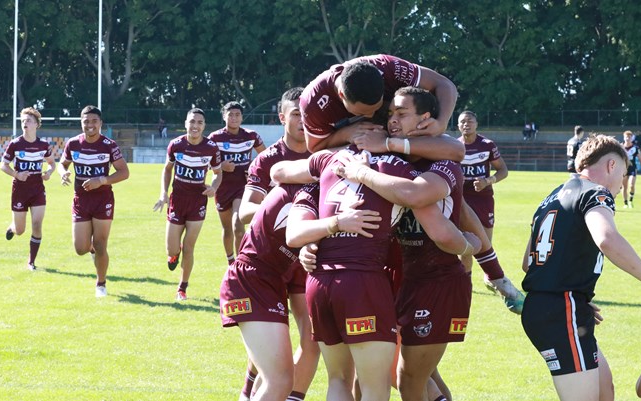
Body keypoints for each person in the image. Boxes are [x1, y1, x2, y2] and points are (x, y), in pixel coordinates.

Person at [331, 87, 482, 401]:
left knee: (411, 378)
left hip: (436, 281)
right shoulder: (388, 158)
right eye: (391, 115)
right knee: (376, 373)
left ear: (426, 119)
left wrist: (478, 255)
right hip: (393, 278)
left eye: (402, 113)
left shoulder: (442, 162)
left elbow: (425, 194)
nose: (393, 120)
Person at [520, 134, 641, 401]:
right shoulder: (596, 191)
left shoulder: (552, 197)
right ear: (611, 166)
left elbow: (528, 263)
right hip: (561, 310)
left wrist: (571, 295)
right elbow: (607, 239)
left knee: (605, 391)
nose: (621, 184)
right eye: (624, 173)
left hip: (554, 306)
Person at [221, 181, 380, 401]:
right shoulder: (306, 186)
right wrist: (337, 222)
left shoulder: (322, 192)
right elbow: (281, 173)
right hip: (253, 277)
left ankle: (250, 392)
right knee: (279, 381)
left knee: (279, 377)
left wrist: (310, 247)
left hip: (275, 280)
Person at [235, 87, 318, 401]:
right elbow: (245, 211)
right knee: (272, 339)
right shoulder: (269, 159)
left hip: (305, 262)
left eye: (307, 114)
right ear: (282, 117)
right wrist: (283, 210)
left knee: (312, 339)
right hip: (267, 262)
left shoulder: (321, 157)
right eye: (296, 114)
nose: (302, 121)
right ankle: (250, 388)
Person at [300, 54, 464, 163]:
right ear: (342, 96)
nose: (372, 115)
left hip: (410, 150)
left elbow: (444, 84)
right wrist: (347, 134)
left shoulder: (388, 67)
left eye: (382, 109)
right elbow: (315, 149)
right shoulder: (313, 102)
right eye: (361, 113)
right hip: (358, 160)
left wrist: (441, 122)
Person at [58, 105, 130, 297]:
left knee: (101, 244)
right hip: (81, 200)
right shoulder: (73, 144)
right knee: (80, 248)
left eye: (94, 121)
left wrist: (102, 181)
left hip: (103, 200)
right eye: (86, 121)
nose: (90, 125)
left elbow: (124, 172)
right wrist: (63, 172)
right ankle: (90, 250)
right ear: (81, 123)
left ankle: (101, 284)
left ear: (100, 123)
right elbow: (63, 163)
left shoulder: (109, 145)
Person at [153, 108, 222, 301]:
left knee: (190, 247)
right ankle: (174, 254)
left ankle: (182, 288)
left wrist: (214, 187)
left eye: (199, 122)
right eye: (192, 122)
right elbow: (167, 170)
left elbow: (218, 172)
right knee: (171, 249)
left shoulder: (211, 148)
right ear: (186, 124)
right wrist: (163, 193)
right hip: (177, 201)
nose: (195, 126)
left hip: (197, 202)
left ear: (204, 126)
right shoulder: (176, 145)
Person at [457, 111, 520, 303]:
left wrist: (487, 181)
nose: (466, 124)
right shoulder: (453, 146)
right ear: (458, 126)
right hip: (462, 200)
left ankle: (489, 276)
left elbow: (503, 170)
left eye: (469, 121)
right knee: (466, 243)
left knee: (485, 244)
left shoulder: (487, 145)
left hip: (483, 199)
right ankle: (464, 281)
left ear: (476, 123)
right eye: (462, 122)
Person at [207, 101, 267, 265]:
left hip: (243, 187)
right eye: (230, 114)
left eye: (237, 114)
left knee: (237, 225)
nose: (234, 118)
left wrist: (254, 169)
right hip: (223, 188)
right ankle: (230, 261)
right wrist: (221, 166)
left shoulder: (251, 136)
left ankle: (241, 263)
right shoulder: (215, 138)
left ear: (242, 117)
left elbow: (266, 157)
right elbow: (204, 162)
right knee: (227, 229)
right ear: (224, 116)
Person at [0, 107, 56, 270]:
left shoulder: (43, 145)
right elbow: (3, 165)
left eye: (29, 121)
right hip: (20, 190)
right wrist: (16, 174)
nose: (25, 123)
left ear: (37, 124)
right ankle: (12, 227)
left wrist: (49, 173)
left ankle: (31, 262)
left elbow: (52, 163)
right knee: (20, 230)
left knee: (37, 225)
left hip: (37, 189)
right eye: (23, 121)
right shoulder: (15, 144)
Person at [622, 130, 641, 208]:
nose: (627, 138)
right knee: (624, 186)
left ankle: (630, 201)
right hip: (624, 169)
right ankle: (625, 203)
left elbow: (640, 159)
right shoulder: (621, 147)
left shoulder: (635, 148)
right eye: (626, 137)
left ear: (631, 138)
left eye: (629, 137)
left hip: (632, 168)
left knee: (631, 185)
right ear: (624, 137)